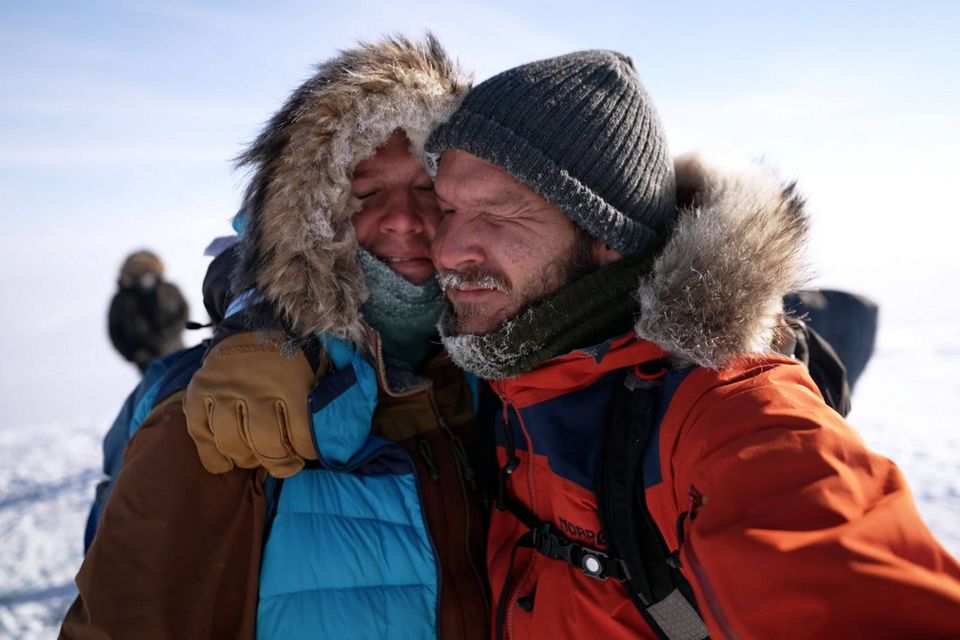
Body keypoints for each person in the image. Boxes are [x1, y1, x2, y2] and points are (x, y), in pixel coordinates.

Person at [420, 50, 960, 638]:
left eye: (499, 214)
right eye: (447, 208)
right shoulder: (489, 378)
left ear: (606, 234)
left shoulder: (724, 412)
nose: (447, 250)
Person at [63, 35, 489, 640]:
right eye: (365, 193)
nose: (403, 219)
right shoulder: (223, 412)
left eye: (427, 187)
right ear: (313, 216)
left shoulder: (511, 377)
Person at [108, 250, 189, 373]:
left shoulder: (170, 289)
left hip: (177, 353)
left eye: (146, 268)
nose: (142, 273)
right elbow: (115, 332)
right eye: (136, 269)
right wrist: (136, 354)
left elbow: (183, 315)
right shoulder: (121, 300)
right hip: (147, 363)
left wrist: (165, 339)